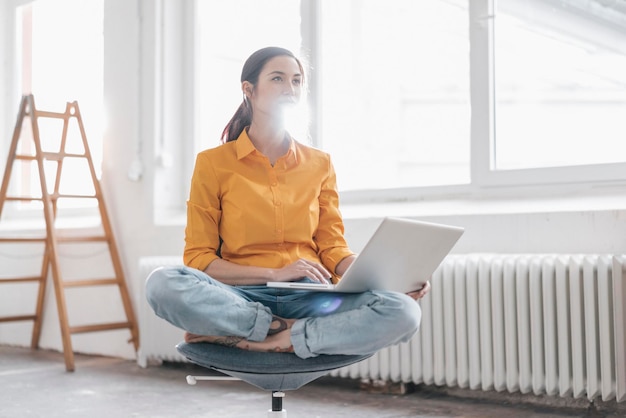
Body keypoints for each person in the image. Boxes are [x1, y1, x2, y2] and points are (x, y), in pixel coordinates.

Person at [145, 46, 431, 358]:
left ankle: (279, 336)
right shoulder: (213, 163)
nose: (290, 88)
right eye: (278, 79)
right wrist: (274, 274)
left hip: (311, 296)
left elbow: (332, 248)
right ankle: (272, 326)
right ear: (249, 90)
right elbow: (199, 259)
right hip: (240, 296)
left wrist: (392, 279)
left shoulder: (320, 164)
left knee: (404, 311)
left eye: (296, 81)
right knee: (162, 283)